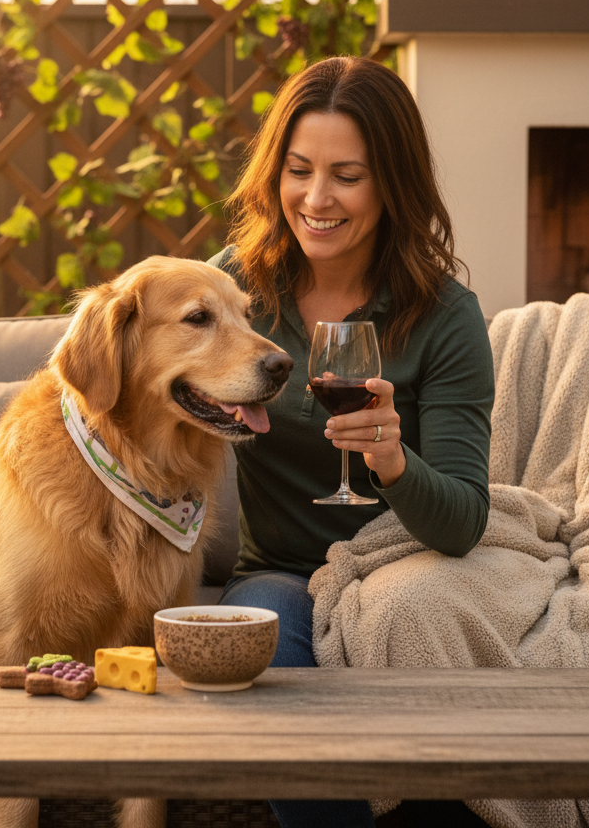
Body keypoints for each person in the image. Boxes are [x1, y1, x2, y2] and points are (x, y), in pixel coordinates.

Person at [210, 56, 494, 828]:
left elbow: (465, 522)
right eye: (298, 170)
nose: (316, 198)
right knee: (262, 651)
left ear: (391, 184)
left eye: (347, 175)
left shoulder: (444, 316)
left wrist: (394, 463)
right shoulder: (235, 293)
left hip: (407, 566)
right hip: (280, 572)